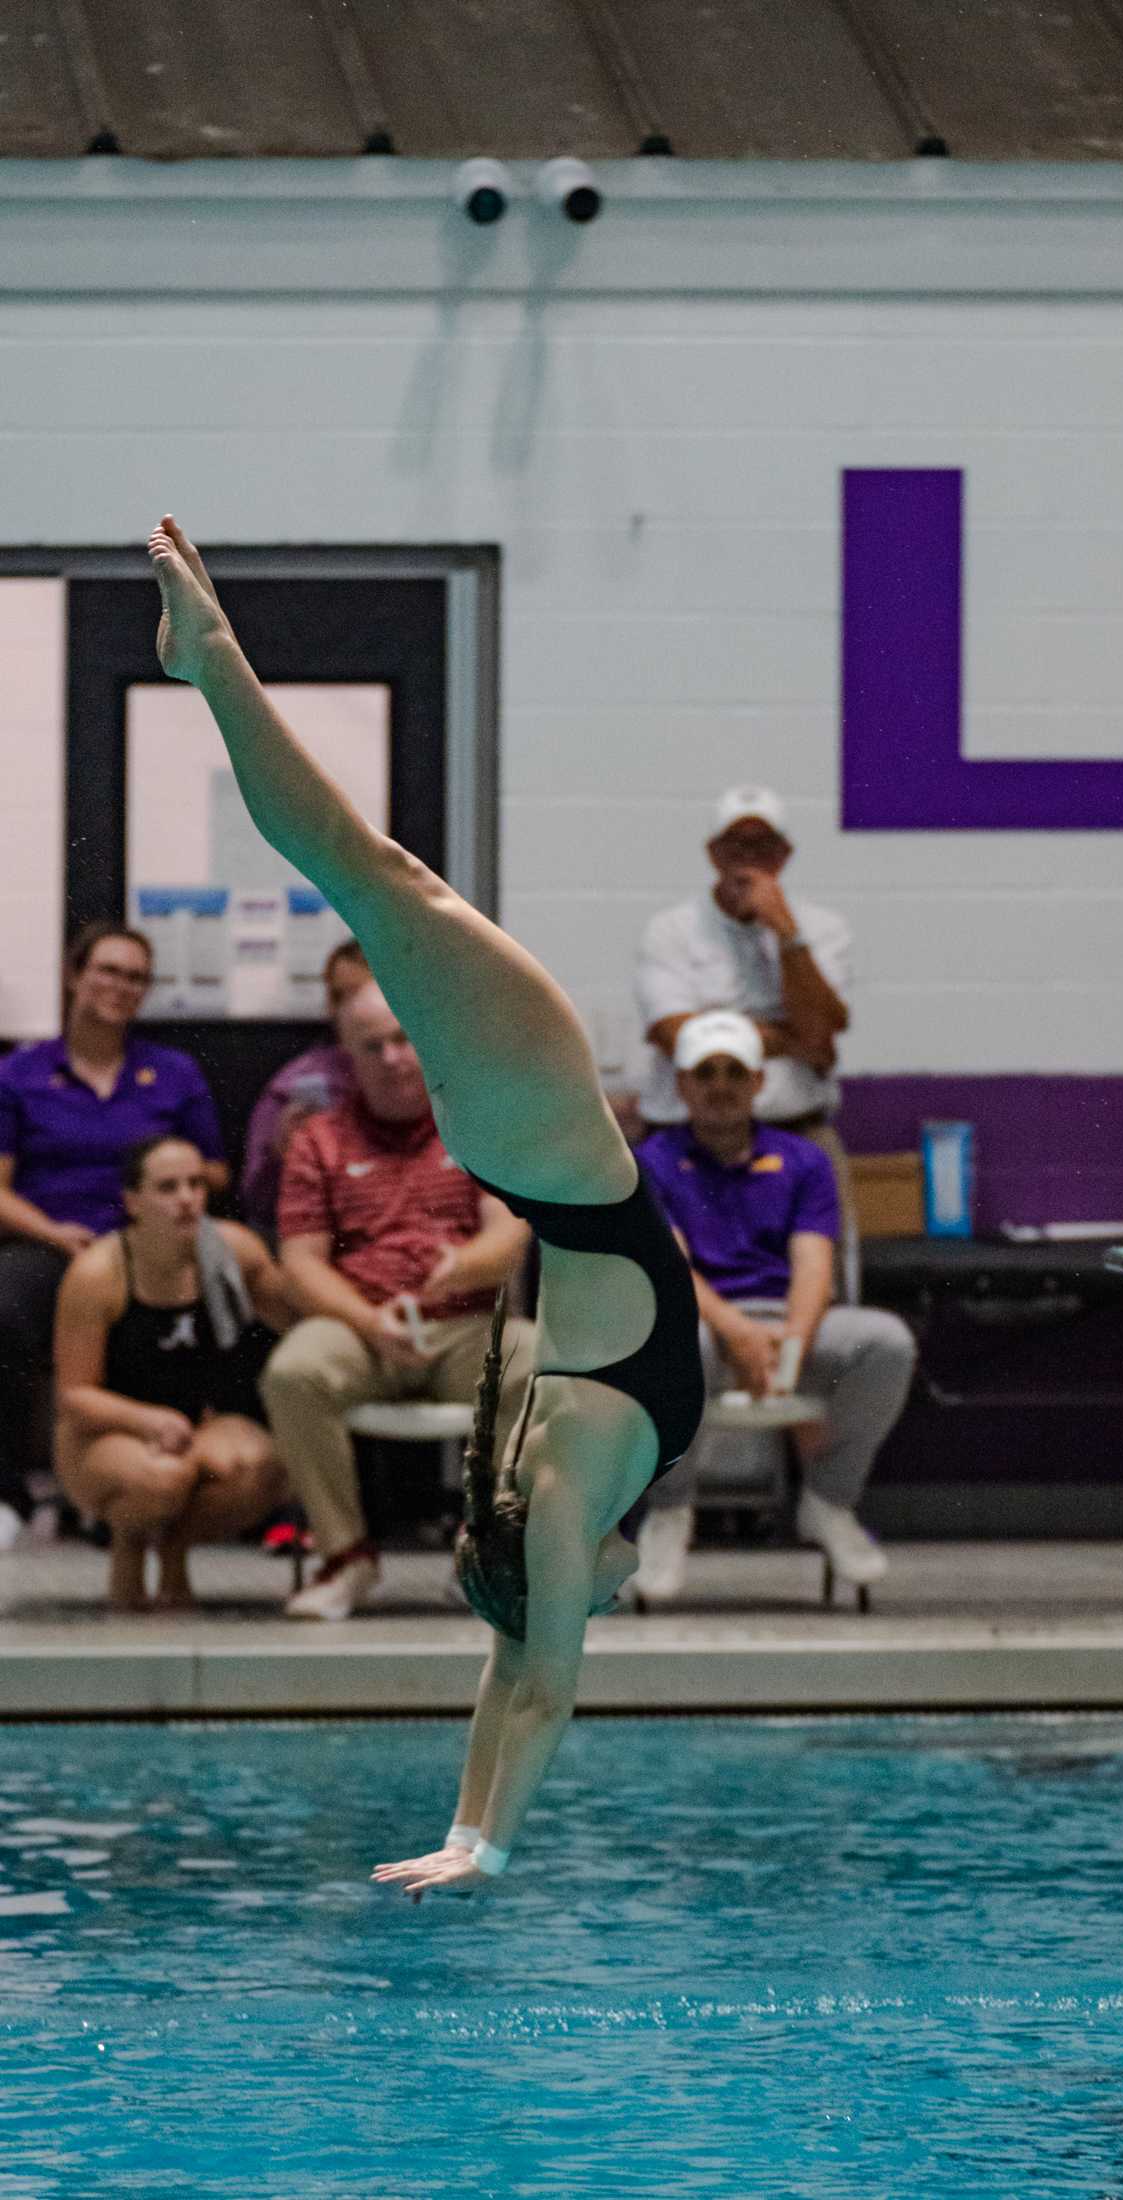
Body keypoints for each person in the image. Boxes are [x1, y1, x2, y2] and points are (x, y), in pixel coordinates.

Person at [147, 515, 703, 1899]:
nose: (589, 1602)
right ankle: (209, 666)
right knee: (374, 877)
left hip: (546, 1141)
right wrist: (469, 1835)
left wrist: (489, 1839)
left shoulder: (579, 1485)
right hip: (538, 1148)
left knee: (367, 874)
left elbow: (535, 1676)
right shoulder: (571, 1488)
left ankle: (214, 665)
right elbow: (517, 1668)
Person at [261, 979, 533, 1620]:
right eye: (373, 1046)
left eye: (404, 1041)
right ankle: (345, 1557)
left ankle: (485, 1549)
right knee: (294, 1371)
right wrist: (368, 1320)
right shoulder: (317, 1139)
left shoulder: (474, 1125)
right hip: (362, 1324)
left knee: (535, 1359)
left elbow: (509, 1236)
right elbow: (300, 1264)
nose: (393, 1058)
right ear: (346, 1056)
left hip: (465, 1322)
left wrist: (462, 1265)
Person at [633, 1010, 915, 1602]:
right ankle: (670, 1511)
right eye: (704, 1072)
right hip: (704, 1327)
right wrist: (738, 1334)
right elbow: (671, 1270)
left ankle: (829, 1501)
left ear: (759, 1082)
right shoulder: (651, 1163)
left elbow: (815, 1266)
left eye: (735, 1072)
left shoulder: (804, 1160)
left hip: (788, 1327)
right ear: (681, 1085)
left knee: (885, 1343)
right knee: (670, 1340)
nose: (719, 1085)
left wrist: (790, 1344)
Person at [0, 922, 228, 1546]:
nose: (120, 986)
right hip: (54, 1244)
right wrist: (54, 1232)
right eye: (108, 970)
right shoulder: (21, 1073)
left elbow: (214, 1169)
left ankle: (158, 1484)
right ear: (76, 975)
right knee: (1, 1304)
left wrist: (167, 1178)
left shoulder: (173, 1073)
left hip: (150, 1248)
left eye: (135, 977)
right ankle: (11, 1491)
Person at [51, 1135, 292, 1611]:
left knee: (266, 1469)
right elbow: (75, 1396)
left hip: (194, 1425)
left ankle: (175, 1550)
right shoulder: (98, 1273)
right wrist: (148, 1423)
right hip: (101, 1436)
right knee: (161, 1477)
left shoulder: (232, 1251)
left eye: (195, 1184)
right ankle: (128, 1546)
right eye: (167, 1187)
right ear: (133, 1201)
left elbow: (295, 1316)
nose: (186, 1199)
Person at [636, 786, 858, 1284]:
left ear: (784, 856)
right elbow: (678, 1039)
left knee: (820, 1289)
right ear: (713, 854)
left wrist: (787, 933)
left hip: (795, 1135)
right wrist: (793, 1039)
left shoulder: (823, 928)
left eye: (762, 849)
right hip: (685, 1142)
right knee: (666, 1289)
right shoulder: (671, 930)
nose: (748, 863)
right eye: (736, 848)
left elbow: (821, 1030)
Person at [237, 938, 371, 1234]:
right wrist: (280, 1154)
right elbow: (256, 1205)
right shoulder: (294, 1084)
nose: (346, 1009)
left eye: (360, 994)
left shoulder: (421, 1076)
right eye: (338, 996)